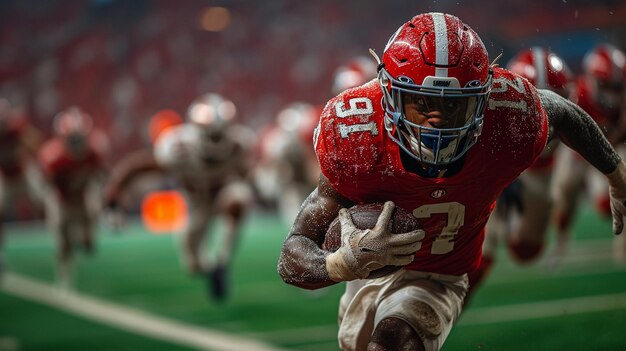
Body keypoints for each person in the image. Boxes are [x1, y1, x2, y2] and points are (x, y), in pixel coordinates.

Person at [276, 13, 626, 351]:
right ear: (388, 96)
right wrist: (342, 264)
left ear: (482, 99)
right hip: (368, 270)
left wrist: (615, 173)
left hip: (441, 274)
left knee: (393, 341)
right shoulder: (357, 137)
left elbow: (564, 112)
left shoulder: (507, 114)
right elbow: (293, 253)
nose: (436, 124)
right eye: (420, 105)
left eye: (453, 107)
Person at [105, 93, 256, 301]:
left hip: (223, 194)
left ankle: (222, 261)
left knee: (238, 198)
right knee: (193, 265)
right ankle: (212, 271)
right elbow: (138, 166)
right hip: (197, 204)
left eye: (220, 134)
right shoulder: (177, 148)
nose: (216, 140)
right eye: (212, 135)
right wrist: (114, 196)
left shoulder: (239, 144)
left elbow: (247, 173)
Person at [467, 47, 574, 296]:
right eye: (535, 103)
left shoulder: (572, 114)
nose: (545, 114)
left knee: (526, 250)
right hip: (497, 167)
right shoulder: (489, 107)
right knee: (481, 249)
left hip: (539, 175)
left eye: (555, 101)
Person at [551, 43, 626, 263]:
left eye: (617, 87)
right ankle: (561, 240)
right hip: (578, 151)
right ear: (591, 80)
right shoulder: (577, 95)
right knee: (566, 191)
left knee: (611, 199)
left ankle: (622, 245)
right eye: (605, 85)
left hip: (611, 148)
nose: (611, 94)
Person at [38, 106, 110, 288]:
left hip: (83, 195)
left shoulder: (93, 151)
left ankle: (87, 236)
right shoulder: (54, 158)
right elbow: (47, 185)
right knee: (63, 241)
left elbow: (102, 175)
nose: (77, 143)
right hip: (62, 198)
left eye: (80, 138)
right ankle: (64, 277)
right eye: (73, 139)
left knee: (88, 239)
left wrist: (108, 199)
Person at [0, 98, 45, 276]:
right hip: (4, 177)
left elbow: (36, 142)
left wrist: (25, 142)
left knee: (44, 199)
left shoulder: (16, 129)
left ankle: (62, 234)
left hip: (24, 172)